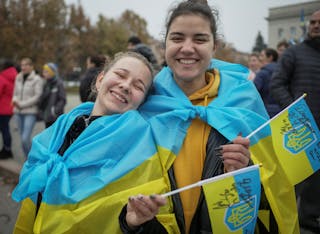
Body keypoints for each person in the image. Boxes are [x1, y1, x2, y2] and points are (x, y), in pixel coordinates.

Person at [119, 0, 271, 233]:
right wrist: (133, 223)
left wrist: (242, 170)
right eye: (177, 38)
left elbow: (272, 187)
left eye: (199, 39)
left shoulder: (244, 100)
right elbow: (119, 183)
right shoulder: (142, 101)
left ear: (214, 46)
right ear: (165, 45)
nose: (187, 48)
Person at [12, 52, 164, 233]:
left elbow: (161, 220)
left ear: (142, 102)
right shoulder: (61, 126)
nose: (125, 86)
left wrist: (137, 226)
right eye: (120, 75)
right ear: (100, 80)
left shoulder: (141, 148)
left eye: (138, 86)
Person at [270, 9, 320, 234]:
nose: (315, 26)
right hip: (300, 131)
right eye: (313, 22)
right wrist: (295, 111)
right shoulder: (294, 53)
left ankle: (309, 223)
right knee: (294, 183)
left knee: (316, 186)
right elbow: (277, 84)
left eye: (319, 22)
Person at [12, 57, 43, 158]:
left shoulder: (37, 79)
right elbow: (15, 92)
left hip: (30, 112)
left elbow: (37, 96)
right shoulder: (18, 77)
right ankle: (28, 159)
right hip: (17, 112)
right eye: (22, 65)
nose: (23, 67)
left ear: (31, 67)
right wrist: (15, 100)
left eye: (26, 65)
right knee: (22, 139)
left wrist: (22, 104)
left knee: (25, 138)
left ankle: (32, 159)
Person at [253, 48, 281, 118]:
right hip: (283, 110)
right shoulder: (284, 72)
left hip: (265, 111)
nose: (260, 58)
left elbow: (254, 91)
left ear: (270, 57)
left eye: (262, 56)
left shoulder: (262, 73)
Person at [38, 63, 66, 128]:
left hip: (55, 117)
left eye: (46, 72)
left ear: (52, 72)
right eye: (44, 71)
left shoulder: (59, 84)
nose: (44, 73)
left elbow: (62, 99)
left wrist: (54, 111)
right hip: (47, 117)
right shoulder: (46, 84)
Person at [0, 58, 18, 159]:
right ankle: (6, 148)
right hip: (10, 108)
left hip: (1, 108)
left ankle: (7, 150)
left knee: (4, 130)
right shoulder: (16, 76)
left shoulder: (2, 77)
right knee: (5, 129)